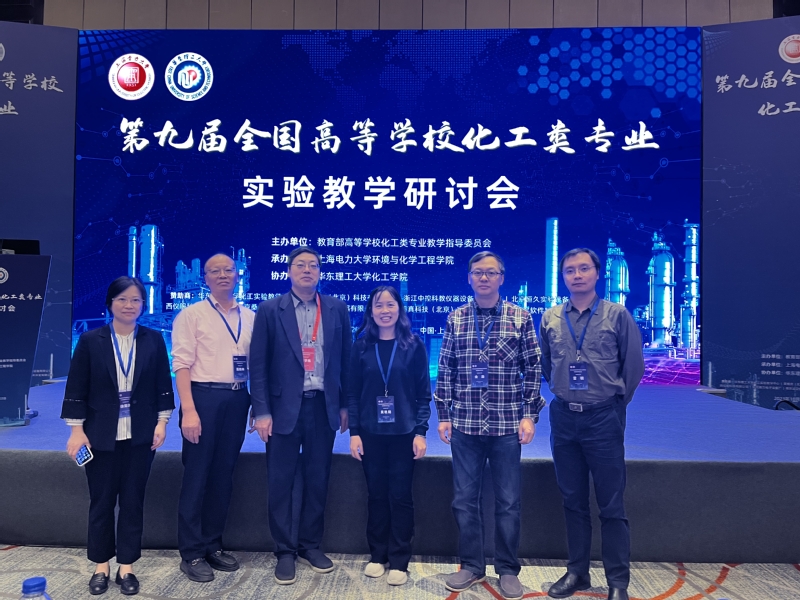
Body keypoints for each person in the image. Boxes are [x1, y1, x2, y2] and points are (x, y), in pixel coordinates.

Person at [435, 251, 545, 600]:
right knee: (464, 501)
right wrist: (443, 415)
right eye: (478, 272)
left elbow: (533, 367)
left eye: (491, 272)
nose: (484, 278)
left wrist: (529, 414)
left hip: (507, 424)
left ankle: (508, 569)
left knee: (508, 502)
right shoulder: (456, 318)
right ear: (469, 278)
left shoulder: (520, 317)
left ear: (501, 278)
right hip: (465, 424)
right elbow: (446, 368)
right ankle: (471, 565)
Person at [540, 248, 645, 600]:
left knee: (611, 504)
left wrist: (612, 405)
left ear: (597, 273)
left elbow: (633, 368)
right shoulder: (551, 318)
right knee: (573, 501)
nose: (577, 275)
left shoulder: (617, 315)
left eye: (584, 268)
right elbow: (547, 365)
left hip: (603, 418)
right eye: (570, 270)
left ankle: (618, 582)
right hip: (564, 418)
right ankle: (577, 573)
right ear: (563, 277)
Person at [62, 276, 174, 596]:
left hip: (140, 435)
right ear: (110, 303)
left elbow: (162, 385)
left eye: (136, 300)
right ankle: (101, 565)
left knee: (132, 502)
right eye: (122, 299)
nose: (129, 305)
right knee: (101, 502)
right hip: (99, 436)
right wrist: (76, 431)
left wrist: (162, 423)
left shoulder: (153, 339)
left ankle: (127, 566)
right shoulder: (91, 340)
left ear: (143, 305)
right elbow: (76, 387)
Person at [249, 246, 352, 585]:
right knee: (281, 482)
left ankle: (310, 545)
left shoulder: (337, 309)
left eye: (313, 265)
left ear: (320, 272)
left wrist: (345, 405)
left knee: (317, 479)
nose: (307, 270)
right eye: (300, 265)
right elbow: (258, 365)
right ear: (289, 271)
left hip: (323, 406)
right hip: (282, 410)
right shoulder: (269, 309)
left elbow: (346, 361)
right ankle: (284, 550)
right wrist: (261, 411)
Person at [171, 254, 255, 582]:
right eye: (215, 271)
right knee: (197, 475)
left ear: (237, 275)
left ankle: (212, 544)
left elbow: (257, 364)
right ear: (205, 278)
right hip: (202, 399)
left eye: (228, 270)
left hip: (238, 398)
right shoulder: (191, 315)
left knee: (223, 474)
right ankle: (191, 552)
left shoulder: (250, 316)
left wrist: (256, 404)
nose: (222, 275)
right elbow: (181, 365)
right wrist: (189, 410)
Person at [347, 286, 431, 586]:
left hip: (404, 434)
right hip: (370, 433)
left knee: (400, 496)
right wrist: (354, 433)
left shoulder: (413, 345)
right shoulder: (360, 346)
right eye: (379, 305)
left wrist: (421, 432)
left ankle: (399, 560)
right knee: (377, 495)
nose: (385, 310)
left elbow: (423, 394)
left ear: (399, 309)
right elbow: (353, 394)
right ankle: (377, 556)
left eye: (390, 304)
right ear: (371, 311)